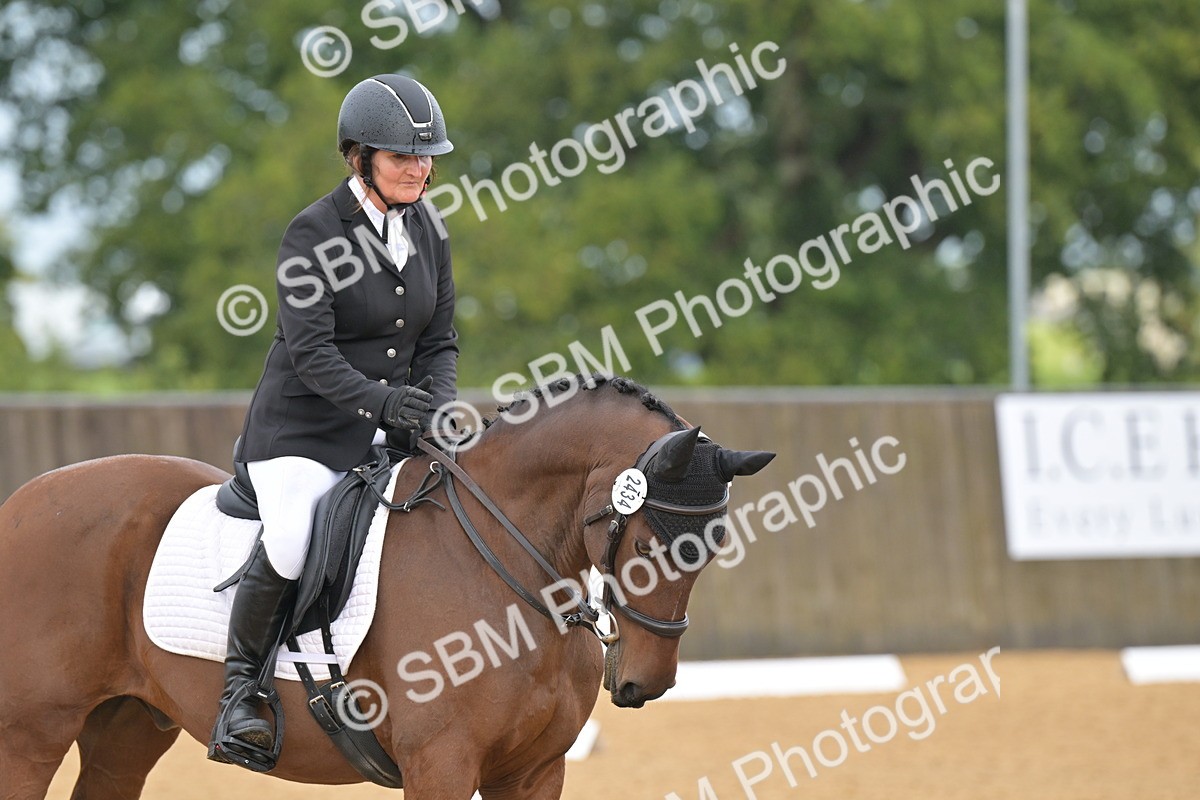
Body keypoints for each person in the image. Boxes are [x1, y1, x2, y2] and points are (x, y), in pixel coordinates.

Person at [208, 73, 458, 768]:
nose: (420, 167)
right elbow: (312, 356)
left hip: (390, 429)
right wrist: (387, 404)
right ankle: (240, 693)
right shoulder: (314, 232)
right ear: (359, 157)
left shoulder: (429, 229)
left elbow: (439, 342)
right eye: (402, 156)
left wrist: (435, 408)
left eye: (427, 155)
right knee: (291, 536)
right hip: (302, 434)